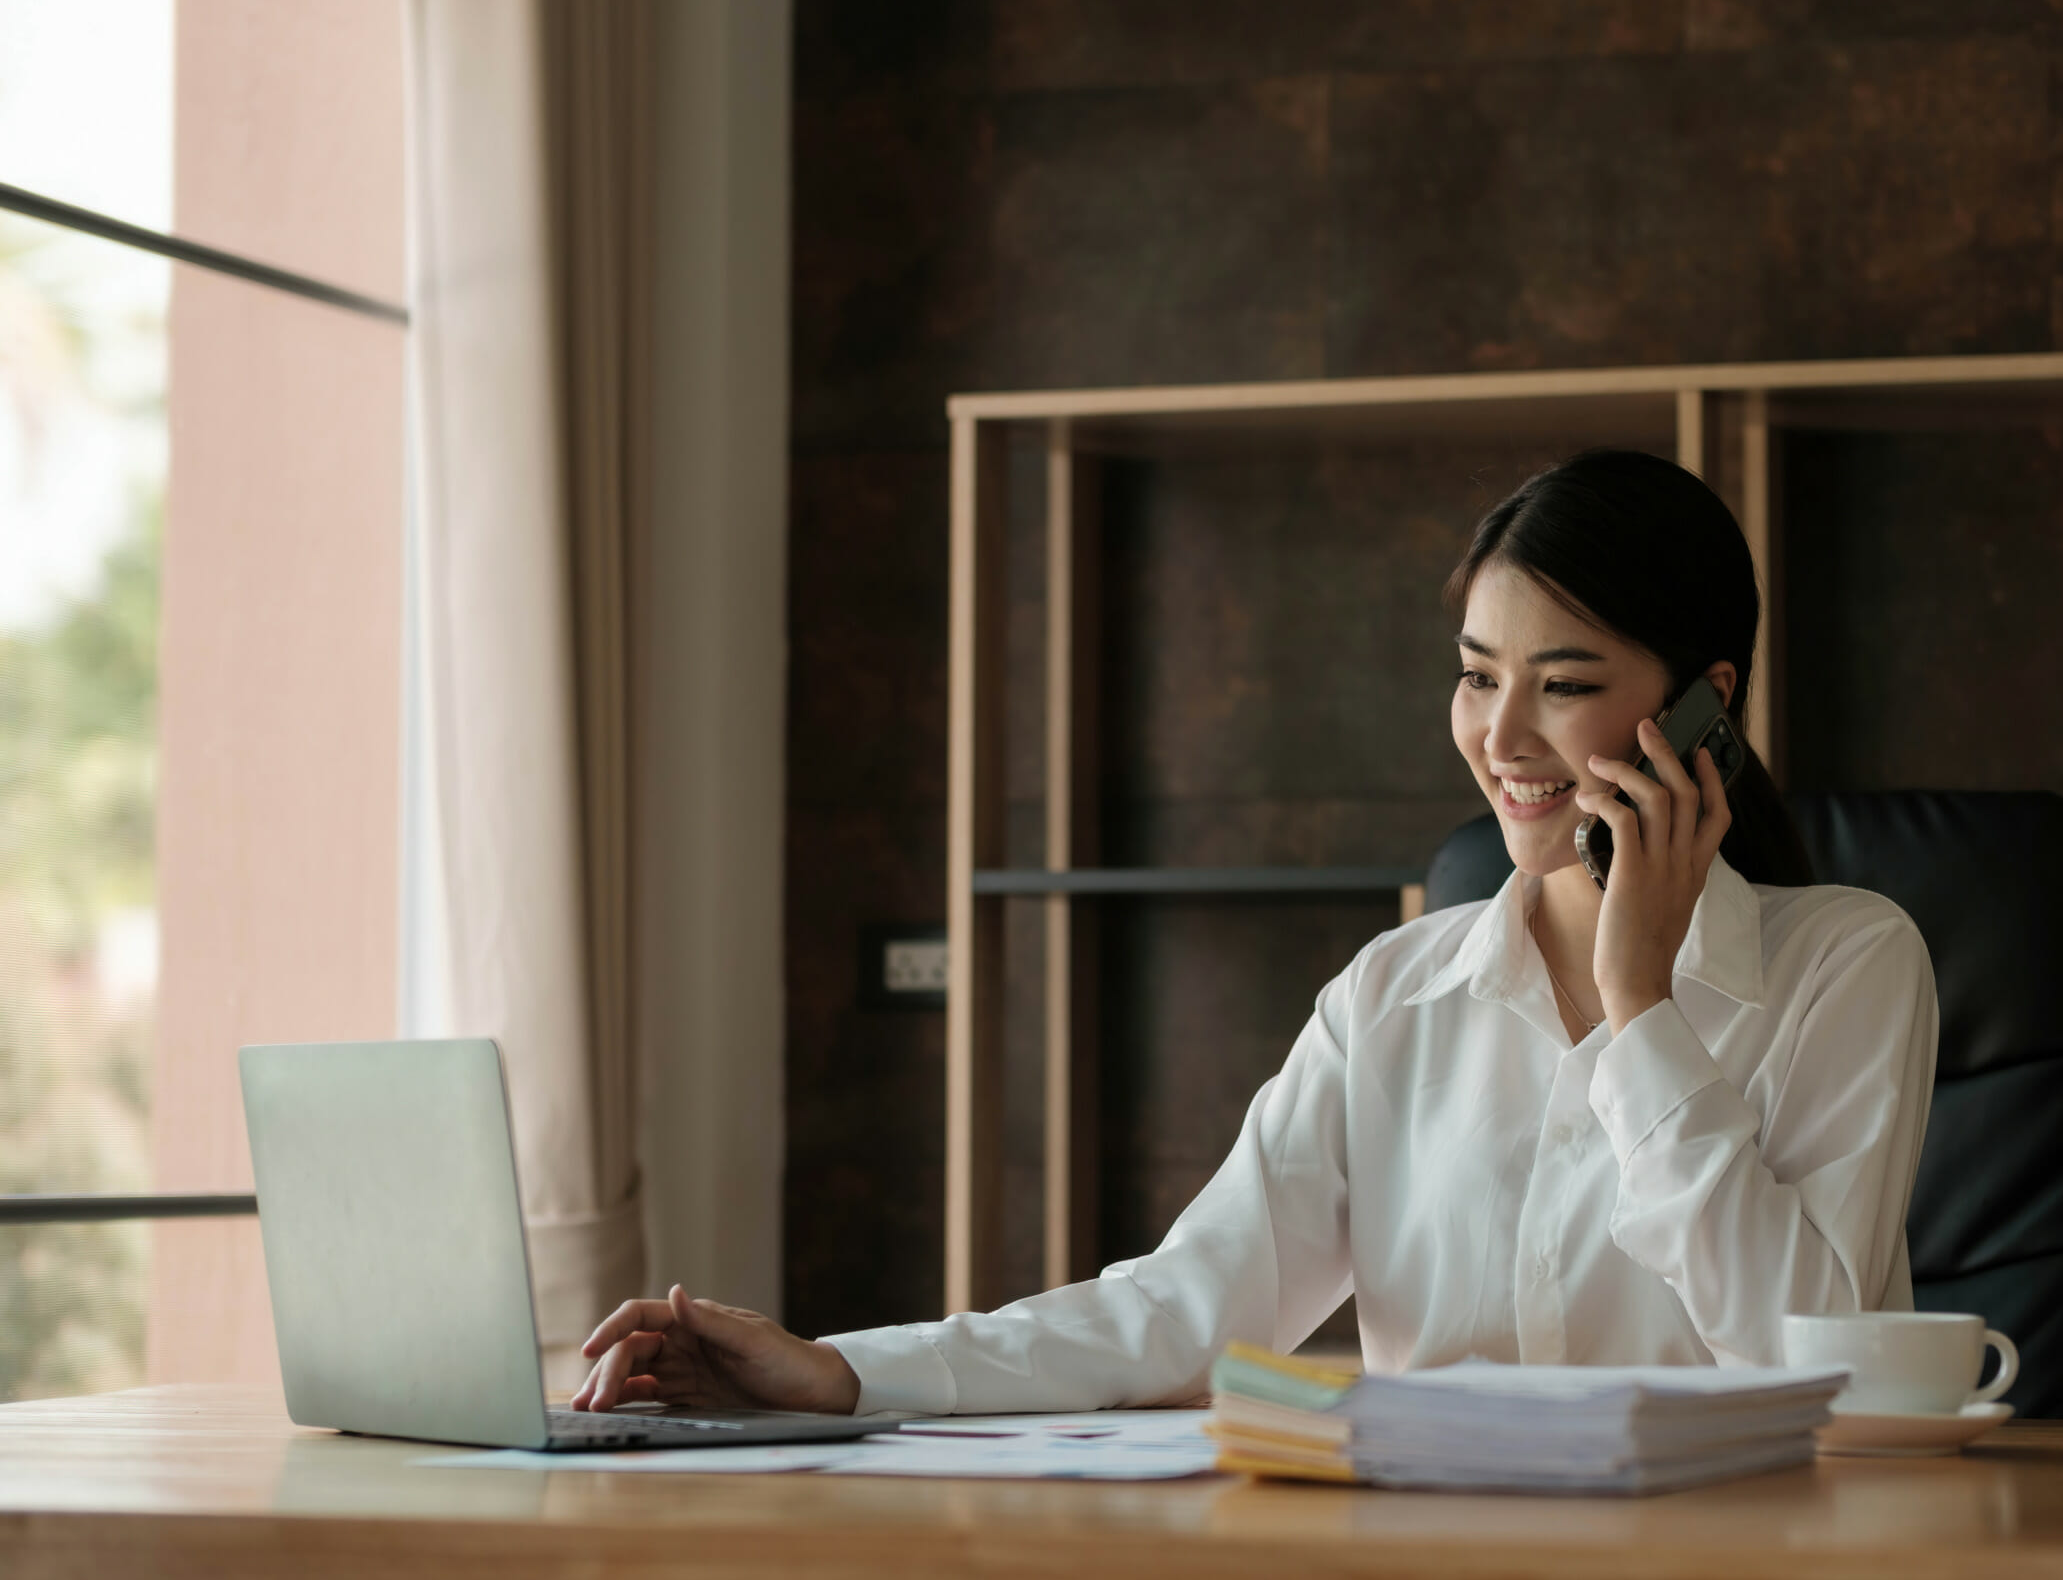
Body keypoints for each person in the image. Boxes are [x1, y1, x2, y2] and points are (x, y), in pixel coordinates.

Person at [574, 449, 1939, 1418]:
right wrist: (845, 1370)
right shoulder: (1394, 998)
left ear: (1703, 704)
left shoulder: (1848, 965)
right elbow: (1179, 1311)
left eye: (1564, 685)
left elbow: (1812, 1368)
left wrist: (1642, 1010)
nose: (1502, 740)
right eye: (1475, 679)